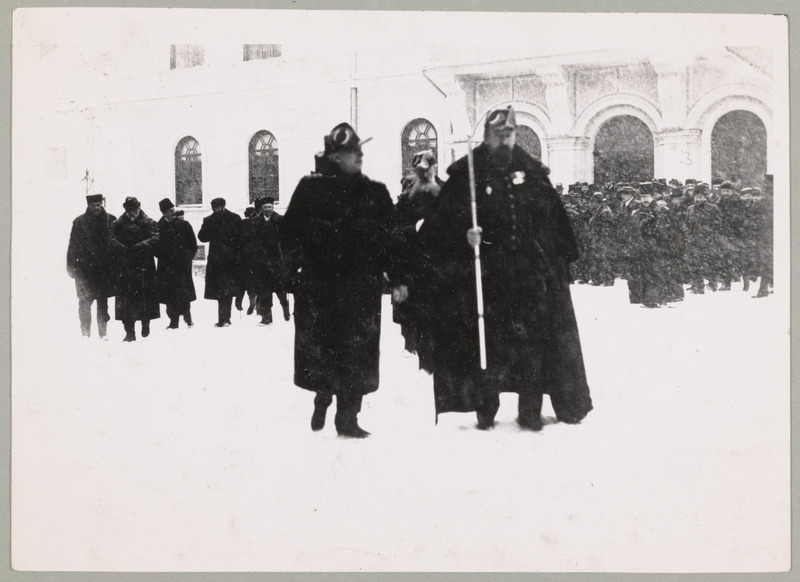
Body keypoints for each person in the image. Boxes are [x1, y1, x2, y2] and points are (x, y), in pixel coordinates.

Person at [416, 105, 593, 431]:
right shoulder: (468, 173)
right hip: (485, 277)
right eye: (498, 134)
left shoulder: (532, 173)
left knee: (532, 344)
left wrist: (550, 258)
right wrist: (463, 237)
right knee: (488, 343)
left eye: (509, 133)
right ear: (487, 136)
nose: (504, 139)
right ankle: (486, 408)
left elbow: (553, 223)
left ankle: (530, 410)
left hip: (529, 276)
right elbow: (436, 230)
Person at [281, 122, 397, 438]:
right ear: (335, 157)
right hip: (320, 287)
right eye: (351, 151)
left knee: (357, 353)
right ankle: (323, 396)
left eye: (359, 150)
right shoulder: (310, 189)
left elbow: (392, 237)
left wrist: (398, 276)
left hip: (361, 289)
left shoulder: (375, 192)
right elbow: (289, 233)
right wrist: (294, 270)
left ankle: (348, 418)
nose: (359, 155)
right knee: (325, 348)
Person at [392, 149, 443, 372]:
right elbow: (394, 231)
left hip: (443, 264)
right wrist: (414, 228)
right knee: (419, 314)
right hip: (417, 265)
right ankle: (424, 361)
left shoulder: (445, 192)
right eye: (420, 169)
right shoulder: (407, 198)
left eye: (428, 167)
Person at [109, 197, 160, 342]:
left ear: (139, 207)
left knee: (145, 298)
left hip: (144, 266)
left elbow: (156, 238)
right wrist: (121, 248)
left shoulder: (149, 222)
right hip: (125, 266)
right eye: (128, 210)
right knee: (126, 300)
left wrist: (142, 245)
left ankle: (145, 323)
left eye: (134, 209)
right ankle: (129, 332)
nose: (131, 213)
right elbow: (110, 238)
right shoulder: (117, 224)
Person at [66, 193, 117, 339]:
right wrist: (71, 267)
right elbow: (72, 246)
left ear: (102, 204)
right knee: (84, 301)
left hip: (103, 269)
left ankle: (103, 333)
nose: (96, 208)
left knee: (102, 302)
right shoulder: (79, 222)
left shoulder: (110, 220)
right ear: (88, 205)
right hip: (84, 270)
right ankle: (85, 333)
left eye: (98, 205)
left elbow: (116, 246)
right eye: (93, 205)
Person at [242, 196, 291, 326]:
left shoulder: (280, 220)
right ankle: (267, 318)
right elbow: (251, 241)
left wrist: (286, 258)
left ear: (273, 207)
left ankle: (285, 309)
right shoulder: (255, 222)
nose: (268, 209)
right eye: (265, 207)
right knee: (264, 291)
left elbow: (287, 240)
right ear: (261, 209)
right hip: (262, 262)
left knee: (280, 289)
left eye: (270, 207)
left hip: (277, 261)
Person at [197, 197, 243, 327]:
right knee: (219, 290)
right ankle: (223, 318)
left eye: (217, 207)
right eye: (214, 208)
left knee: (228, 289)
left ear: (223, 206)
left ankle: (226, 318)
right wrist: (209, 226)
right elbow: (202, 237)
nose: (215, 210)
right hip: (216, 261)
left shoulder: (235, 218)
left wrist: (239, 257)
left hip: (231, 260)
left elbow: (241, 238)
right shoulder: (209, 220)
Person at [155, 198, 198, 329]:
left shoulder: (184, 225)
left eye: (173, 209)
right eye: (170, 210)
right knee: (170, 295)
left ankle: (188, 317)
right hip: (166, 266)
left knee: (184, 293)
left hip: (182, 266)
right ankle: (173, 322)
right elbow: (154, 246)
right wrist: (164, 257)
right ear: (163, 212)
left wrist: (187, 258)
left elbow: (193, 244)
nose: (173, 212)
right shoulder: (157, 227)